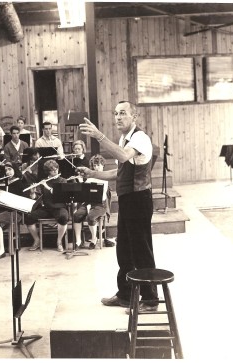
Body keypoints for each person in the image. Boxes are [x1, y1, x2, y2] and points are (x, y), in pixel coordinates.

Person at [79, 100, 158, 312]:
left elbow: (123, 156)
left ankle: (150, 300)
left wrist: (98, 136)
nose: (118, 117)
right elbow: (119, 172)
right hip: (127, 200)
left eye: (123, 113)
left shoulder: (140, 137)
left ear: (134, 117)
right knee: (124, 250)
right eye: (115, 113)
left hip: (139, 200)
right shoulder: (124, 138)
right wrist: (94, 174)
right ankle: (125, 295)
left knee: (141, 251)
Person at [25, 159, 68, 252]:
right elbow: (37, 197)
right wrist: (32, 193)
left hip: (59, 207)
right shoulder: (44, 181)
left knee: (63, 217)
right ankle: (37, 240)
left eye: (56, 168)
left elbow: (59, 194)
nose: (55, 170)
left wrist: (47, 187)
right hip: (47, 208)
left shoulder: (63, 180)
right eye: (52, 170)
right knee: (28, 217)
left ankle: (59, 242)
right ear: (48, 172)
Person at [72, 154, 111, 250]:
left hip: (100, 204)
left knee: (91, 216)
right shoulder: (89, 178)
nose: (96, 168)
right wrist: (81, 182)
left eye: (98, 165)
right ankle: (78, 241)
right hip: (88, 203)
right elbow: (84, 194)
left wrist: (90, 205)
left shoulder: (105, 178)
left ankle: (94, 239)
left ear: (103, 165)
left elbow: (100, 196)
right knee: (76, 215)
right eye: (94, 165)